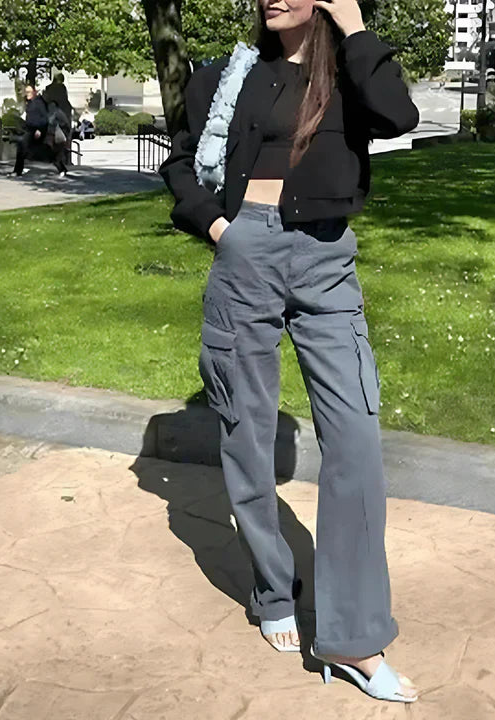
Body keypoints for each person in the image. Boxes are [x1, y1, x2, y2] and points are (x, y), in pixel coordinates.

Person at [160, 0, 420, 704]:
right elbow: (181, 161)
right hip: (244, 253)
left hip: (326, 261)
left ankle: (353, 637)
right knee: (247, 432)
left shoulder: (352, 75)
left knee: (356, 438)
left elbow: (398, 116)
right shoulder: (227, 76)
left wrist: (355, 26)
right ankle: (273, 589)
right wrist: (218, 228)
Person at [10, 85, 67, 177]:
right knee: (42, 151)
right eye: (26, 92)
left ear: (34, 92)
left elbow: (44, 118)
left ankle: (17, 171)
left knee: (22, 147)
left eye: (29, 92)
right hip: (30, 129)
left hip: (36, 130)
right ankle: (60, 166)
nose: (27, 94)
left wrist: (40, 130)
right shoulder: (30, 103)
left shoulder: (39, 103)